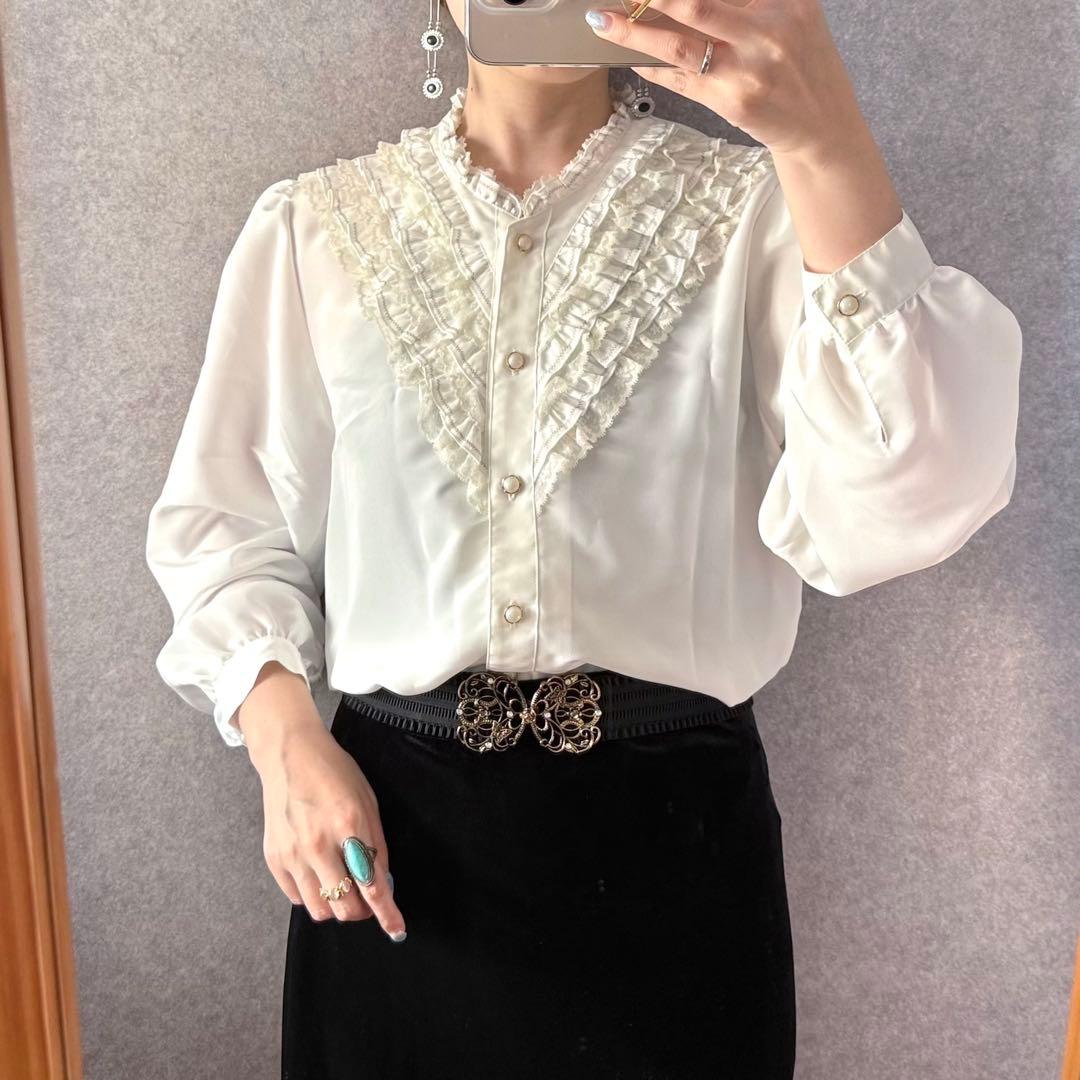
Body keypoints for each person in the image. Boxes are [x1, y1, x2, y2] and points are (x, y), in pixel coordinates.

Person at [144, 1, 1022, 1077]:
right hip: (389, 853)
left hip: (679, 861)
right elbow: (227, 528)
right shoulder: (316, 230)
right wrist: (285, 745)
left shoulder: (759, 215)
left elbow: (918, 487)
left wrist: (825, 135)